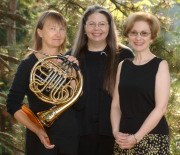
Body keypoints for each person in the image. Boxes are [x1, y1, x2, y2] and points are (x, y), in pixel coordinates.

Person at [6, 10, 79, 155]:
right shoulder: (28, 64)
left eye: (61, 29)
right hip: (41, 137)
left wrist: (74, 74)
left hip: (70, 137)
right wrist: (37, 130)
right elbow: (12, 104)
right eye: (52, 28)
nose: (58, 33)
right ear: (39, 32)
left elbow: (75, 101)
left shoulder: (68, 63)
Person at [66, 5, 134, 155]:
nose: (97, 28)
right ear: (84, 27)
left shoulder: (124, 54)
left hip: (117, 135)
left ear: (109, 27)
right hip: (81, 135)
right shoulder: (71, 56)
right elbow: (67, 99)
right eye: (91, 23)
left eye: (102, 24)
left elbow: (132, 95)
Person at [111, 11, 170, 154]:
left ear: (152, 37)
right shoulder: (123, 65)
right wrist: (115, 132)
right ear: (128, 35)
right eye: (133, 32)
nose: (138, 37)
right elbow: (116, 105)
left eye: (144, 33)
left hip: (153, 138)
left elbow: (160, 108)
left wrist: (137, 137)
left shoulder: (160, 65)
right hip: (123, 138)